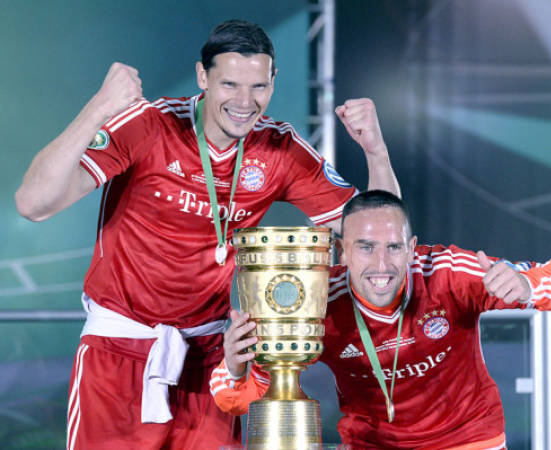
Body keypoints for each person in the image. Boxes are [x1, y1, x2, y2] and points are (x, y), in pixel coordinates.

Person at [14, 20, 399, 450]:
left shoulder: (279, 148)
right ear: (203, 78)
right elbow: (33, 203)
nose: (244, 102)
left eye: (258, 87)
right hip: (118, 354)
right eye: (230, 84)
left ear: (273, 84)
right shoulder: (149, 125)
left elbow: (383, 239)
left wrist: (376, 151)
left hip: (211, 363)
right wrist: (99, 107)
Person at [211, 189, 551, 450]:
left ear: (411, 248)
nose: (382, 265)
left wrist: (527, 286)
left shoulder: (446, 272)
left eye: (394, 247)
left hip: (468, 440)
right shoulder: (316, 303)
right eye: (366, 248)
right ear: (342, 251)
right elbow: (238, 400)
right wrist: (235, 366)